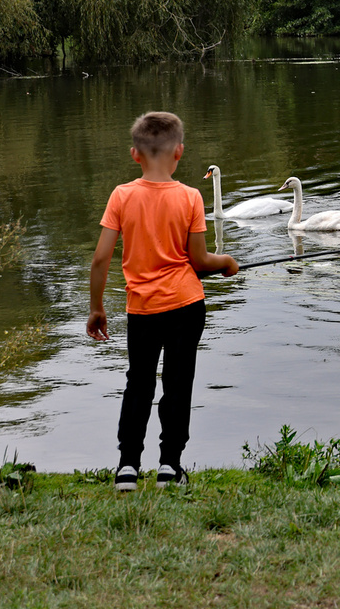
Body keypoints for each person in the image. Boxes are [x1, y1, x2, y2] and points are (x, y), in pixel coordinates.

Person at [87, 111, 237, 491]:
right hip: (187, 306)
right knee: (178, 383)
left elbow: (101, 258)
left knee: (138, 384)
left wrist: (96, 307)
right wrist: (226, 263)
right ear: (180, 153)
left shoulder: (121, 196)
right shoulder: (190, 197)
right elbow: (199, 260)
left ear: (135, 154)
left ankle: (127, 468)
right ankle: (170, 467)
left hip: (142, 309)